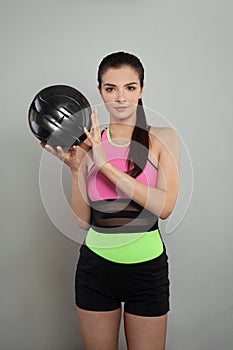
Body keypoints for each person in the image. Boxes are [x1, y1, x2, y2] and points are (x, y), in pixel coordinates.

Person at [41, 51, 180, 350]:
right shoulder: (88, 143)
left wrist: (104, 165)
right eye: (110, 88)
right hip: (95, 270)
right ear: (99, 90)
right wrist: (78, 167)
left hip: (147, 272)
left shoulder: (163, 139)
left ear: (142, 89)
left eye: (130, 87)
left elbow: (165, 207)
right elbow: (82, 221)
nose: (120, 98)